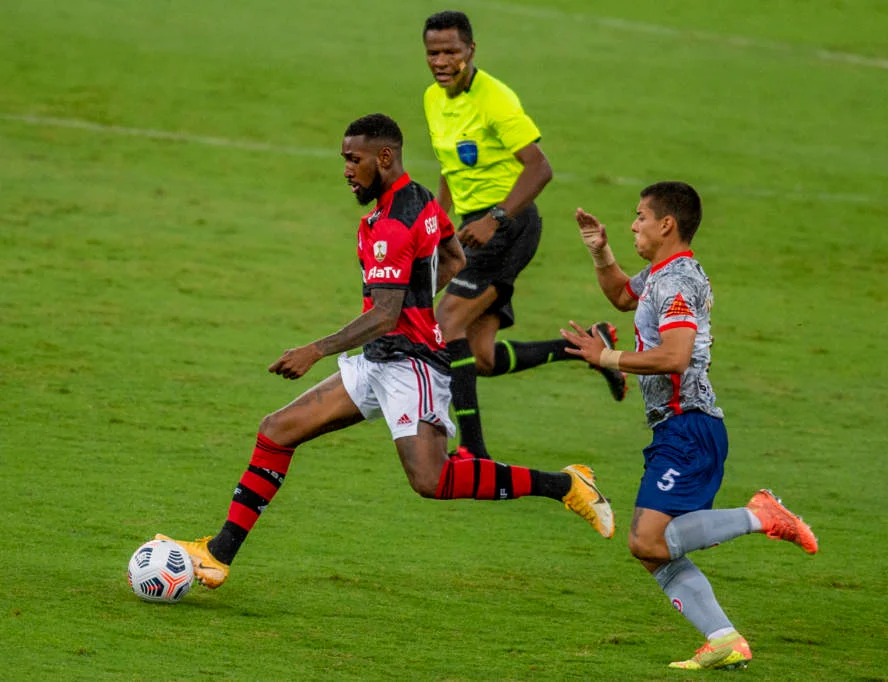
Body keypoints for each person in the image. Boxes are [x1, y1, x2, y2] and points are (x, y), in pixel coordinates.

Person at [157, 113, 614, 590]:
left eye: (354, 161)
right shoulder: (419, 200)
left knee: (430, 480)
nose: (347, 170)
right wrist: (419, 294)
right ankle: (217, 555)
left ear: (384, 157)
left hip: (410, 365)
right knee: (277, 430)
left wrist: (313, 350)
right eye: (344, 161)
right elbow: (454, 256)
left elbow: (383, 314)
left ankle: (566, 485)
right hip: (380, 358)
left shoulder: (394, 224)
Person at [560, 181, 818, 670]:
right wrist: (601, 252)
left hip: (689, 428)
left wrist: (609, 356)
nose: (632, 224)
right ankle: (724, 638)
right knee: (654, 550)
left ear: (666, 224)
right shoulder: (660, 273)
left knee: (646, 541)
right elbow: (619, 294)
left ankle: (761, 516)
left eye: (639, 216)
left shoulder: (676, 281)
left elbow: (676, 357)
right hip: (676, 430)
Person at [422, 10, 627, 461]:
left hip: (507, 225)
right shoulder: (433, 100)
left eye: (450, 52)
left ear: (470, 51)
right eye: (433, 52)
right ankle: (586, 346)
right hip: (475, 227)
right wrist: (439, 220)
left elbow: (540, 167)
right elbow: (448, 165)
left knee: (446, 324)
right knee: (480, 358)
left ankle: (472, 450)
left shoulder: (495, 98)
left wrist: (494, 218)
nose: (441, 61)